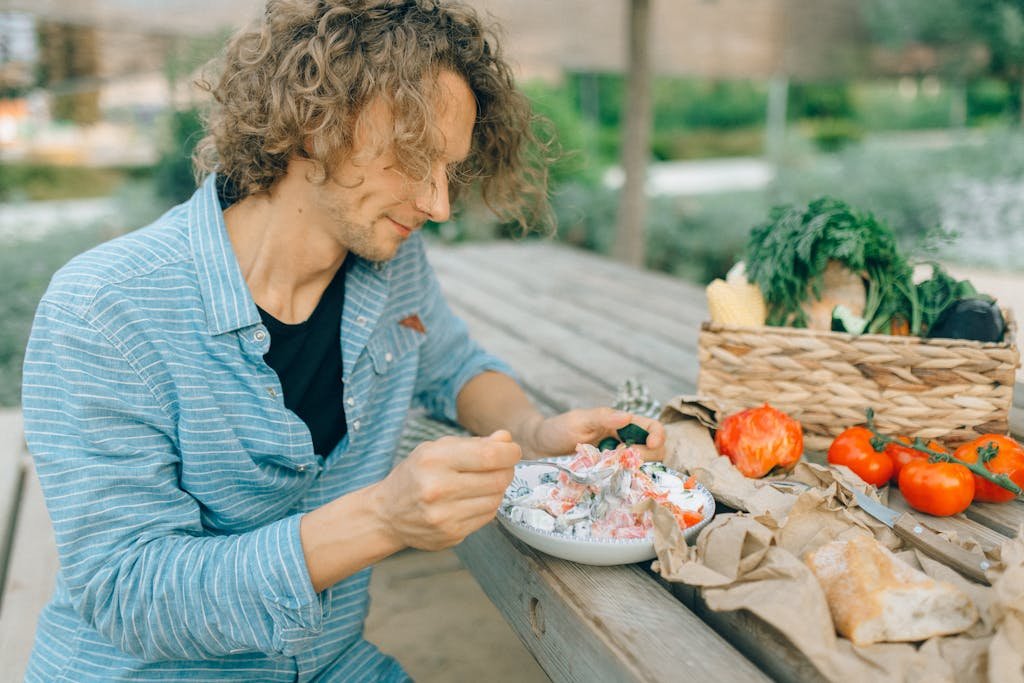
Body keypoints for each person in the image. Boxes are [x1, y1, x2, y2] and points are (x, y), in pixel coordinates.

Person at [20, 1, 665, 680]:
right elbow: (129, 593)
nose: (440, 204)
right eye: (413, 158)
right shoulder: (102, 309)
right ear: (315, 124)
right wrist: (384, 518)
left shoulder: (390, 264)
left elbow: (456, 366)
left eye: (449, 168)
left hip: (328, 663)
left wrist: (536, 431)